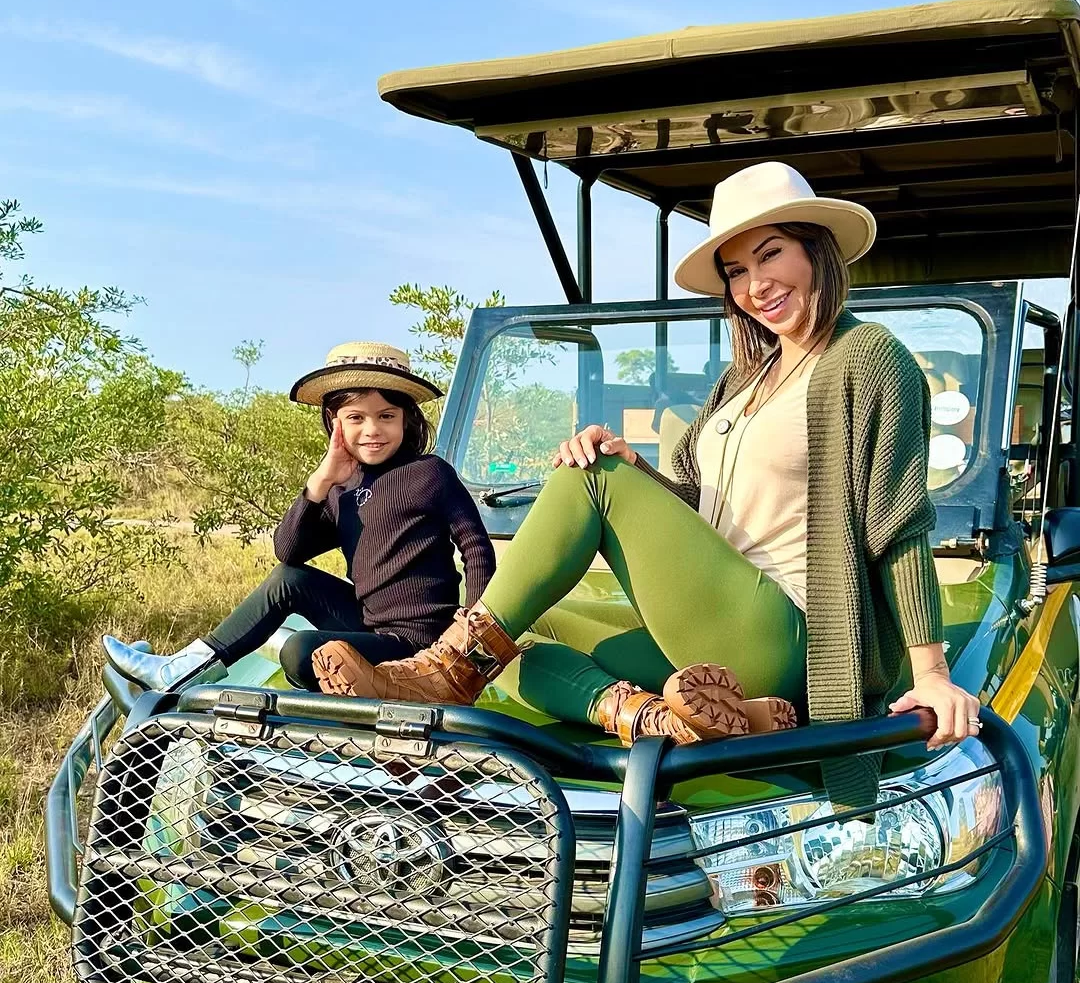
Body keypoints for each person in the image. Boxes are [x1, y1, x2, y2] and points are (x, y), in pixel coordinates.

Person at [310, 164, 981, 806]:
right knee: (517, 627)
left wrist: (931, 674)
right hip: (713, 624)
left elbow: (899, 522)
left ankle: (440, 673)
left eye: (771, 255)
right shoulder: (745, 378)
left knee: (585, 480)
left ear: (817, 250)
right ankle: (659, 718)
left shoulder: (866, 357)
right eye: (738, 271)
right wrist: (639, 474)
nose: (756, 284)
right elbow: (703, 509)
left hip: (792, 630)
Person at [102, 341, 497, 693]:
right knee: (288, 581)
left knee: (300, 650)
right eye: (356, 418)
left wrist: (467, 637)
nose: (372, 429)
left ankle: (373, 681)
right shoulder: (340, 488)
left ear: (406, 419)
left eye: (386, 416)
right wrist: (321, 480)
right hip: (366, 625)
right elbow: (288, 552)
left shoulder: (428, 473)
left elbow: (476, 549)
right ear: (334, 422)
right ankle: (183, 669)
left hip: (419, 641)